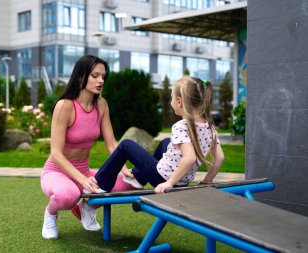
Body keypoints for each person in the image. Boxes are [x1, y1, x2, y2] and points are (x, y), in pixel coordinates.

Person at [40, 55, 135, 240]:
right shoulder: (64, 106)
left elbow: (111, 143)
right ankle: (50, 214)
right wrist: (83, 179)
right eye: (95, 75)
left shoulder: (101, 105)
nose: (100, 80)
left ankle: (86, 207)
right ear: (80, 77)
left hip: (83, 172)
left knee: (128, 183)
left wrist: (124, 169)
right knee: (68, 195)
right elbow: (56, 154)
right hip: (56, 171)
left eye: (103, 76)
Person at [93, 76, 225, 194]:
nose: (171, 102)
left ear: (179, 101)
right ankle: (139, 178)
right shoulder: (211, 129)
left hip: (161, 177)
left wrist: (169, 183)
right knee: (166, 142)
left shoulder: (181, 126)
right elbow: (219, 158)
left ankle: (100, 184)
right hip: (183, 181)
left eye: (172, 98)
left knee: (125, 145)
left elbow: (189, 158)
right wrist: (207, 180)